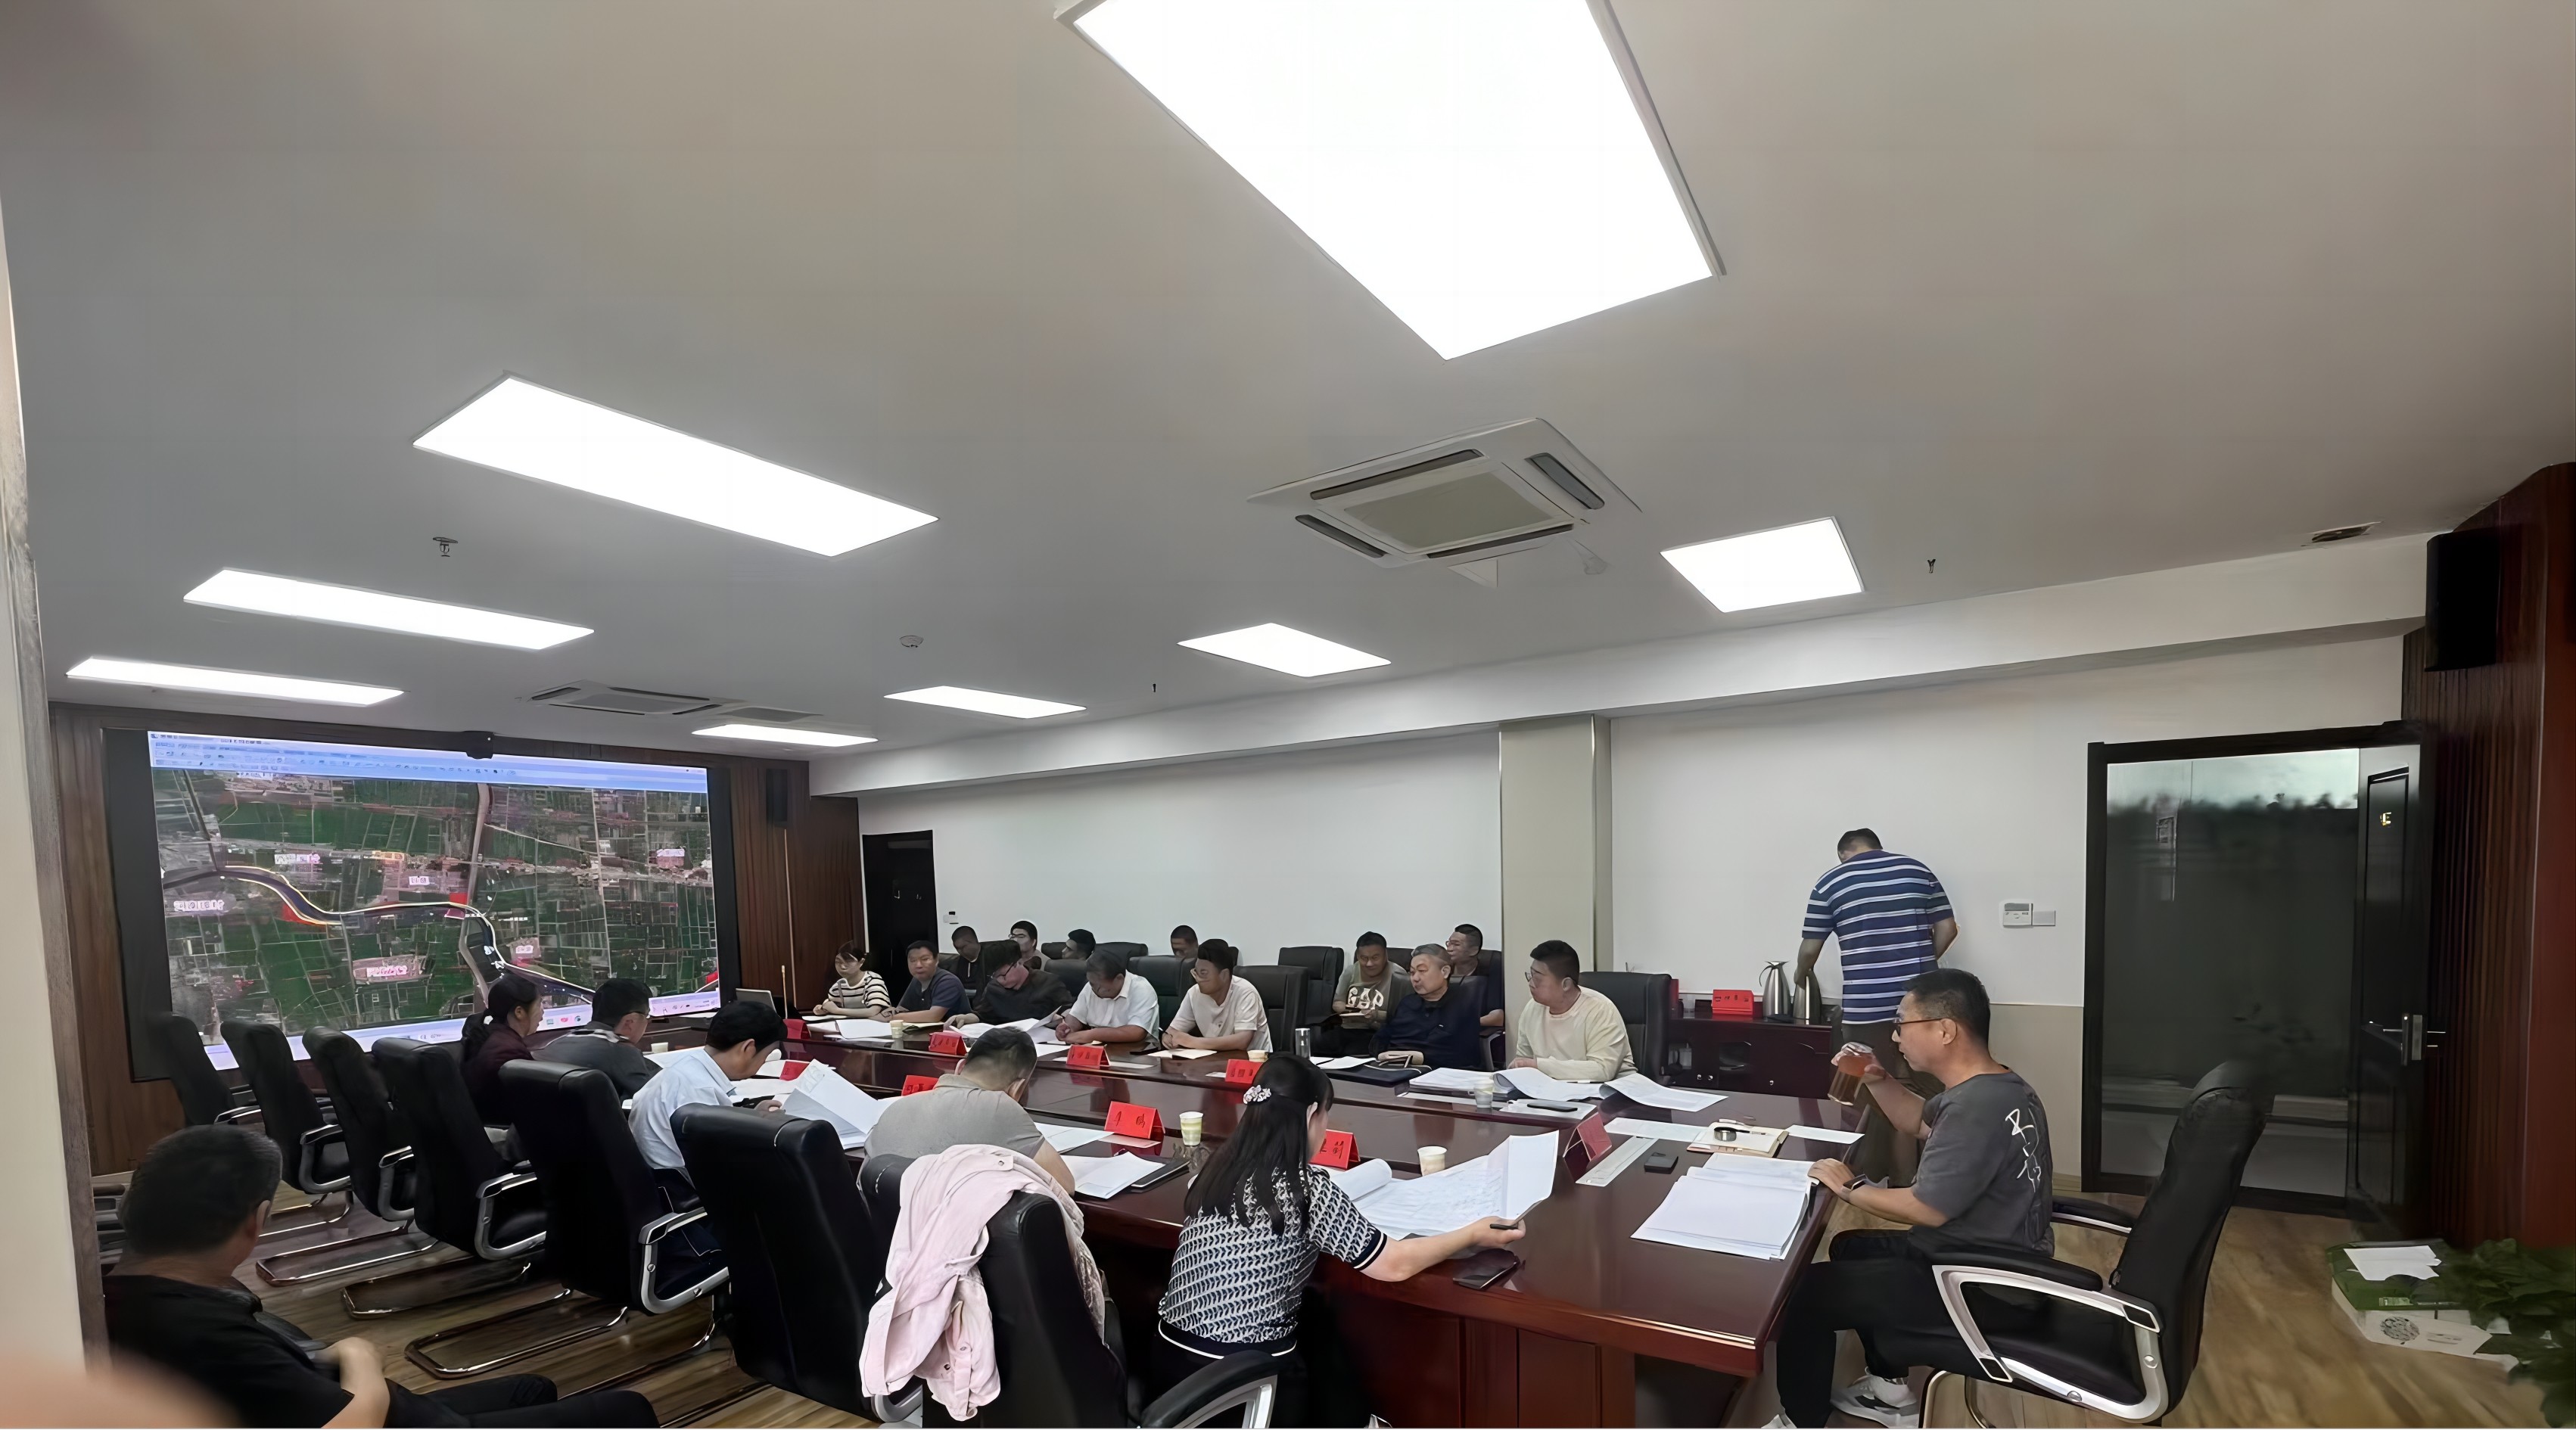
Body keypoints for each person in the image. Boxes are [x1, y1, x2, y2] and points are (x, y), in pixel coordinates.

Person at [104, 1125, 656, 1428]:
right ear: (257, 1222)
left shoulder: (120, 1295)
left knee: (532, 1389)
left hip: (388, 1407)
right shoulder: (204, 1334)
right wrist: (360, 1356)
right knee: (627, 1411)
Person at [1149, 1057, 1526, 1425]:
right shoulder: (1305, 1188)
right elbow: (1393, 1264)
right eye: (1327, 1115)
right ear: (1311, 1114)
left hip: (1170, 1368)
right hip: (1244, 1383)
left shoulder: (1215, 1171)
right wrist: (1472, 1233)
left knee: (1319, 1321)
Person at [1773, 969, 2052, 1429]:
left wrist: (1851, 1188)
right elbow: (1920, 1124)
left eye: (1903, 1023)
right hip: (1997, 1258)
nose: (1895, 1035)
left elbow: (1927, 1208)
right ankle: (1889, 1390)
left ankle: (1800, 1421)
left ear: (1945, 1030)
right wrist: (1877, 1079)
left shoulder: (1974, 1109)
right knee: (1851, 1249)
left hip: (1981, 1284)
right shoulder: (1999, 1087)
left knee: (1807, 1294)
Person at [1796, 828, 1957, 1182]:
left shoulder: (1831, 882)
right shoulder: (1917, 870)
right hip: (1924, 1007)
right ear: (1877, 847)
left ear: (1844, 854)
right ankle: (1926, 1181)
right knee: (1928, 1093)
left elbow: (1810, 949)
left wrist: (1800, 974)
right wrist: (1922, 975)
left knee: (1869, 1092)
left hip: (1865, 1008)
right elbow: (1948, 929)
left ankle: (1869, 1182)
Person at [863, 1028, 1079, 1195]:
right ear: (1017, 1088)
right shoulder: (1000, 1108)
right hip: (949, 1238)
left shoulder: (895, 1108)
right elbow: (1064, 1185)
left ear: (960, 1067)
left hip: (883, 1236)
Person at [627, 999, 789, 1179]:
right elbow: (725, 1167)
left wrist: (754, 1118)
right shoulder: (702, 1092)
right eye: (766, 1056)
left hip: (662, 1181)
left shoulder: (683, 1072)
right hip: (687, 1187)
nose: (762, 1063)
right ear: (748, 1048)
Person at [1507, 940, 1635, 1082]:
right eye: (1530, 975)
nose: (1531, 983)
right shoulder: (1532, 1008)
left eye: (1537, 978)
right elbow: (1524, 1059)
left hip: (1609, 1090)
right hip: (1553, 1089)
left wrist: (1539, 1066)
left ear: (1566, 984)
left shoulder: (1600, 1010)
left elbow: (1602, 1070)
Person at [534, 978, 661, 1099]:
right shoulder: (620, 1051)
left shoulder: (557, 1044)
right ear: (629, 1022)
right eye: (647, 1016)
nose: (647, 1022)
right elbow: (657, 1097)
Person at [1374, 946, 1486, 1070]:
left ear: (1445, 972)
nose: (1415, 978)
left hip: (1436, 1072)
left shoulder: (1463, 1007)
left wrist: (1419, 1057)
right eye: (1412, 972)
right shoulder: (1407, 1003)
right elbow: (1382, 1039)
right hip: (1391, 1068)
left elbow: (1465, 1055)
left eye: (1422, 971)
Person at [459, 973, 543, 1126]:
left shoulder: (487, 1035)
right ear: (519, 1012)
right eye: (539, 1005)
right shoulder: (510, 1053)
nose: (542, 1013)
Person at [1163, 939, 1271, 1053]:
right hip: (1215, 1059)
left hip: (1253, 1060)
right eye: (1196, 972)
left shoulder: (1246, 993)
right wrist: (1167, 1037)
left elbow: (1242, 1041)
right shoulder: (1194, 993)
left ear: (1224, 975)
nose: (1198, 979)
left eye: (1203, 974)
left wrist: (1192, 1041)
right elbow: (1173, 1031)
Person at [1053, 947, 1162, 1050]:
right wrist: (1067, 1028)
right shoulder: (1091, 987)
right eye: (1092, 983)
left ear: (1119, 979)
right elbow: (1076, 1016)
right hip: (1096, 1047)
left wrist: (1091, 1035)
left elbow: (1136, 1032)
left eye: (1100, 987)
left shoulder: (1141, 989)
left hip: (1136, 1050)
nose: (1094, 990)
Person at [1323, 933, 1402, 1056]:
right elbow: (1337, 1003)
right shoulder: (1351, 971)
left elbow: (1402, 1015)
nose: (1369, 963)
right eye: (1364, 958)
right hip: (1348, 1028)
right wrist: (1354, 1010)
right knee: (1315, 1044)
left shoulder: (1398, 975)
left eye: (1375, 958)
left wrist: (1375, 1015)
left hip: (1378, 1032)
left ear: (1385, 955)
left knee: (1353, 1052)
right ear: (1358, 956)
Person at [959, 950, 1074, 1026]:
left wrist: (1063, 1020)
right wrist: (967, 1018)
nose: (1000, 981)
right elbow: (984, 1014)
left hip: (1041, 1041)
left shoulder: (1049, 982)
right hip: (1004, 1040)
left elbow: (1069, 1010)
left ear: (1018, 963)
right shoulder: (994, 987)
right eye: (995, 977)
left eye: (1003, 975)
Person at [890, 940, 968, 1025]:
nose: (918, 965)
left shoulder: (948, 981)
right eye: (913, 960)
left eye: (925, 959)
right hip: (925, 1030)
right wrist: (886, 1013)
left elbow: (934, 1016)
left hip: (956, 1030)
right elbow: (902, 1009)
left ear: (936, 960)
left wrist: (892, 1017)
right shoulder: (917, 979)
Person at [812, 941, 894, 1019]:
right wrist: (822, 1009)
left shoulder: (872, 980)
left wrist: (837, 1010)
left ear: (861, 962)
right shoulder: (838, 986)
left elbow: (873, 1011)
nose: (842, 966)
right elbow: (829, 1006)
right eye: (838, 962)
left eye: (849, 961)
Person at [1445, 924, 1505, 1031]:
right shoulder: (1443, 969)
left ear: (1474, 951)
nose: (1449, 949)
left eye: (1456, 944)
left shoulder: (1491, 969)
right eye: (1449, 943)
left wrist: (1464, 1023)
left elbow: (1498, 1016)